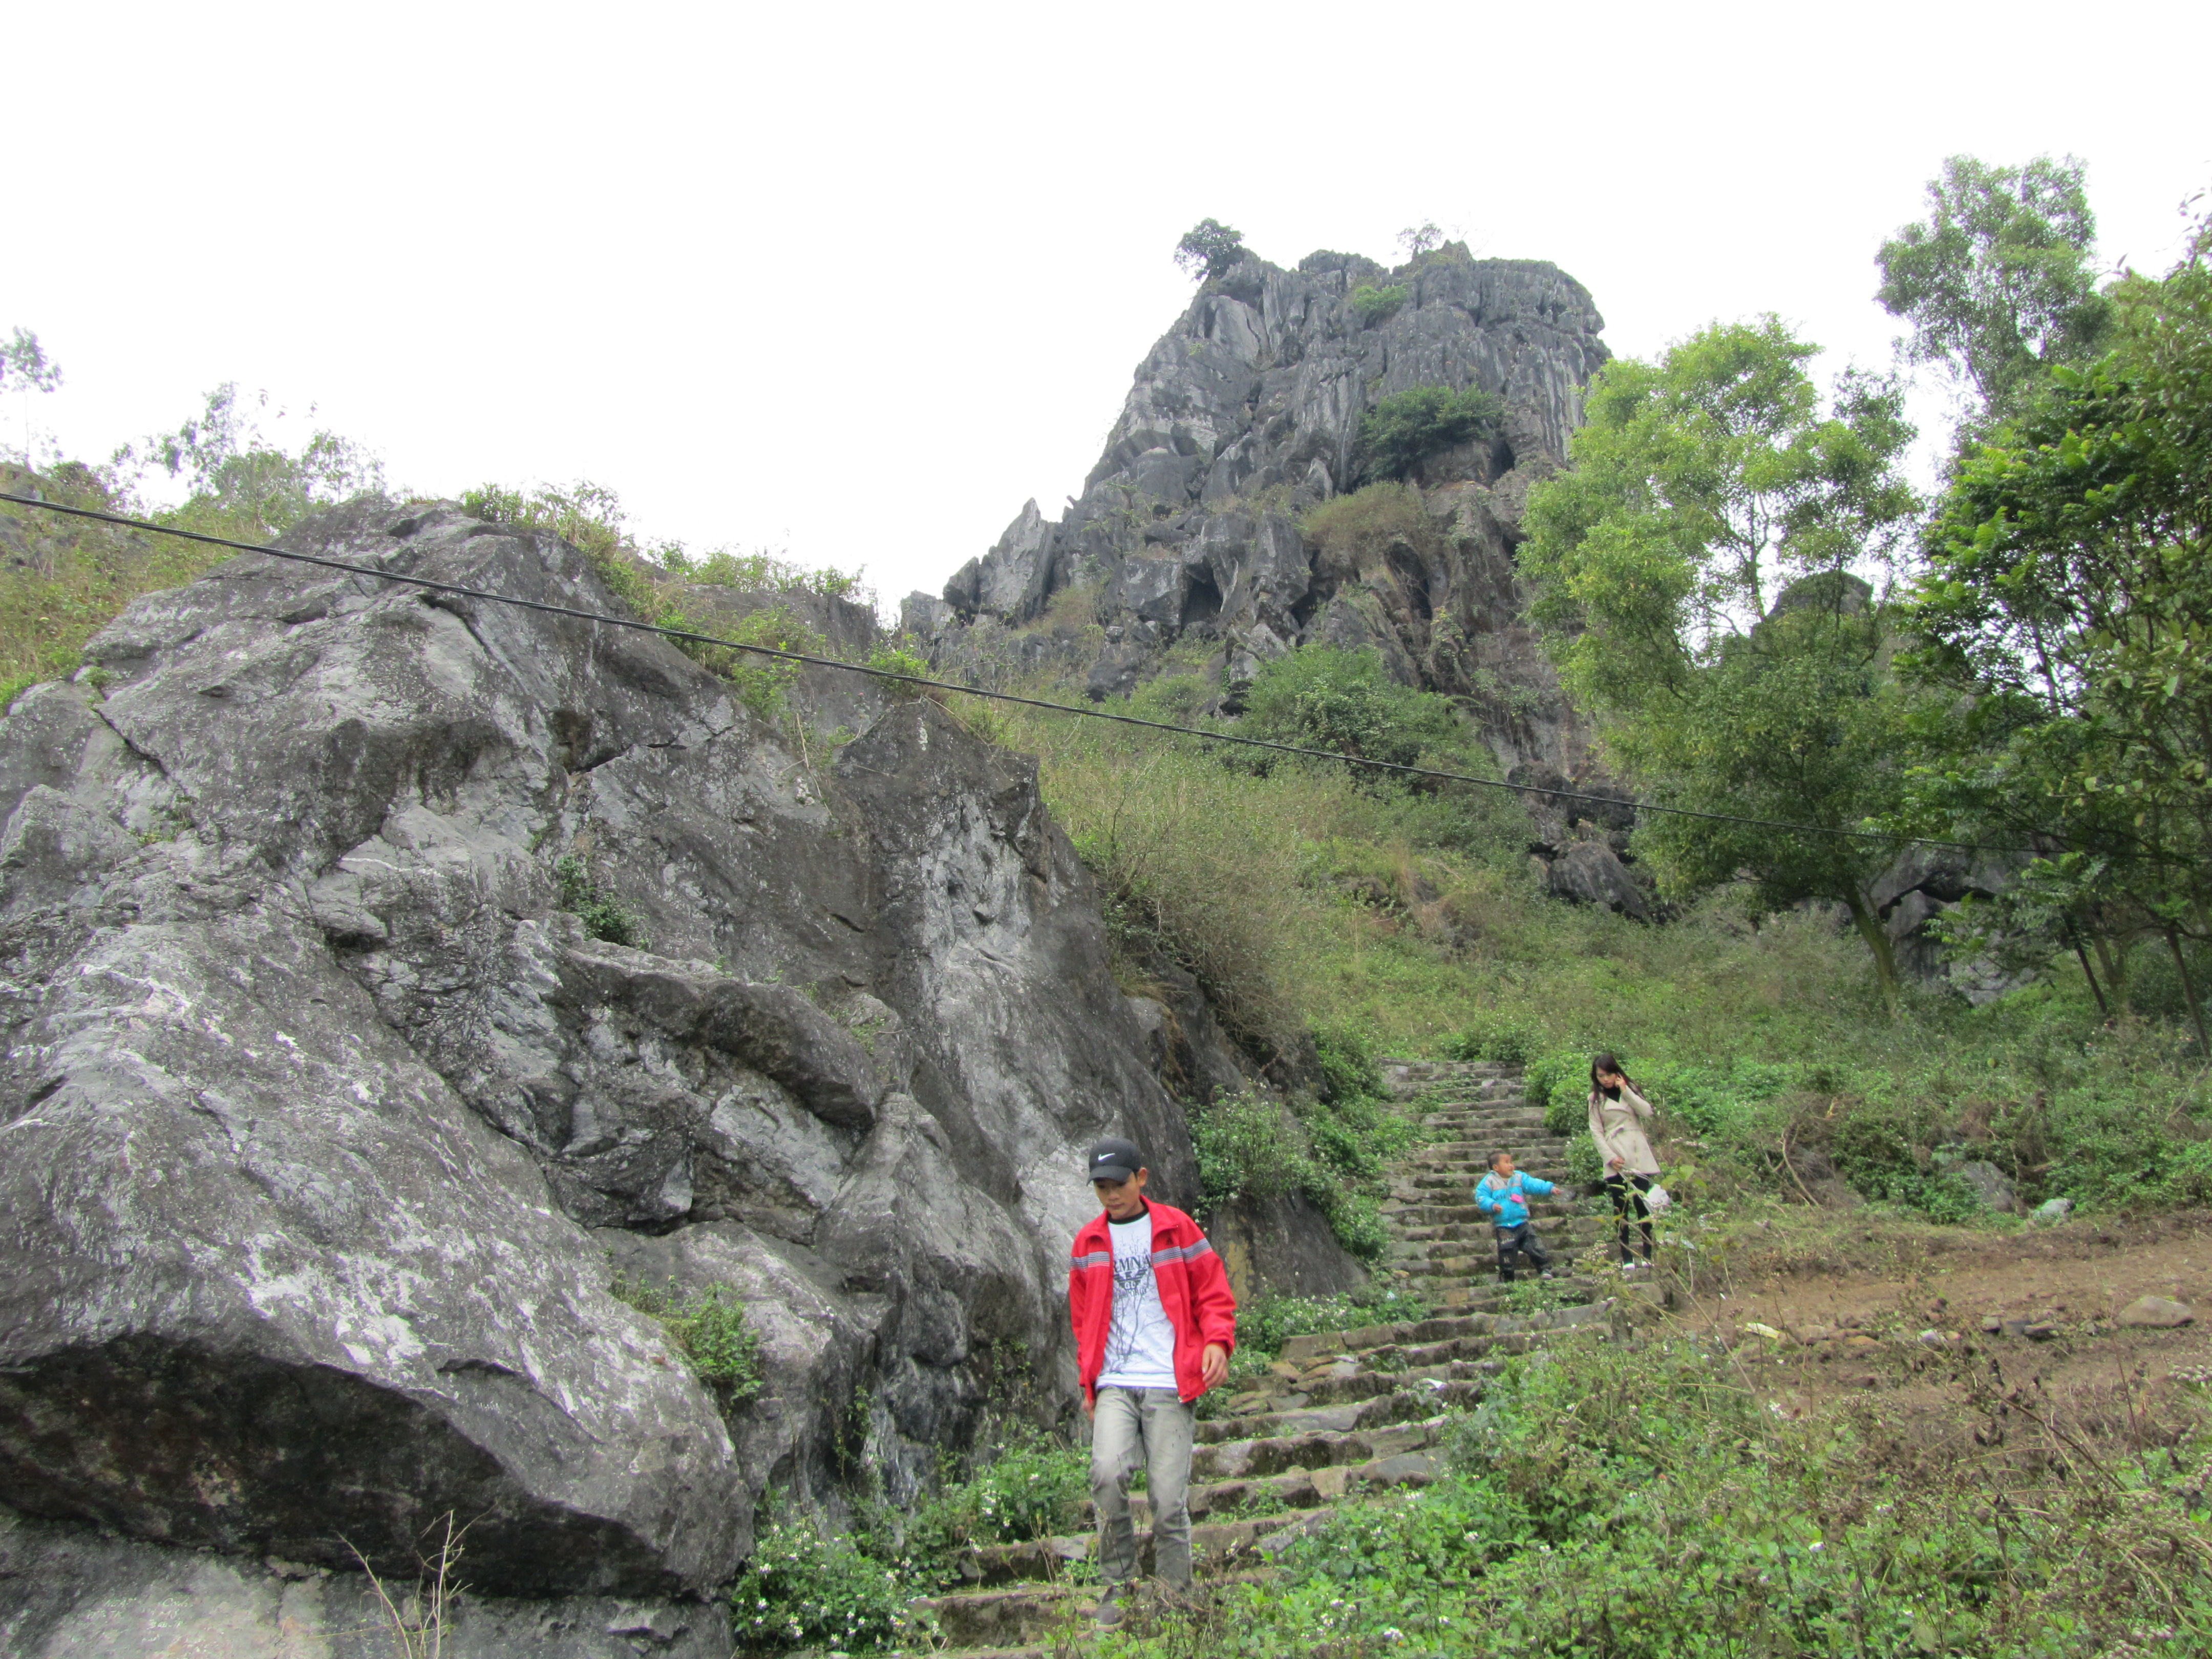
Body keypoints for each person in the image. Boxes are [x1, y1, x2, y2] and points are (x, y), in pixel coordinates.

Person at [1067, 1136, 1236, 1628]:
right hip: (1115, 1382)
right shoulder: (1088, 1243)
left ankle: (1175, 1595)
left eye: (1118, 1184)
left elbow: (1213, 1291)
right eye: (1101, 1187)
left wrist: (1217, 1342)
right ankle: (1118, 1585)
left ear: (1141, 1179)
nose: (1110, 1195)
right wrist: (1089, 1383)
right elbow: (1083, 1321)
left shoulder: (1176, 1229)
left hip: (1168, 1380)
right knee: (1106, 1475)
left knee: (1166, 1499)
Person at [1588, 1052, 1661, 1269]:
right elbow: (1596, 1131)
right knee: (1621, 1208)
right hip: (1616, 1153)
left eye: (1609, 1074)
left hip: (1638, 1152)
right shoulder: (1595, 1099)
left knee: (1643, 1206)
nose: (1605, 1080)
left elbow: (1647, 1112)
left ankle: (1648, 1254)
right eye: (1601, 1076)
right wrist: (1610, 1157)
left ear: (1617, 1073)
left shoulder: (1631, 1090)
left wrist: (1626, 1091)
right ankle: (1627, 1257)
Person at [1473, 1150, 1555, 1283]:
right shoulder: (1489, 1181)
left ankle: (1545, 1269)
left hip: (1522, 1223)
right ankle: (1507, 1279)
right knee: (1507, 1253)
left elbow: (1533, 1184)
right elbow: (1481, 1197)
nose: (1511, 1165)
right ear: (1496, 1167)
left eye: (1511, 1162)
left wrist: (1549, 1188)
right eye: (1507, 1162)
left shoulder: (1519, 1177)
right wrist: (1492, 1205)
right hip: (1504, 1226)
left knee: (1535, 1245)